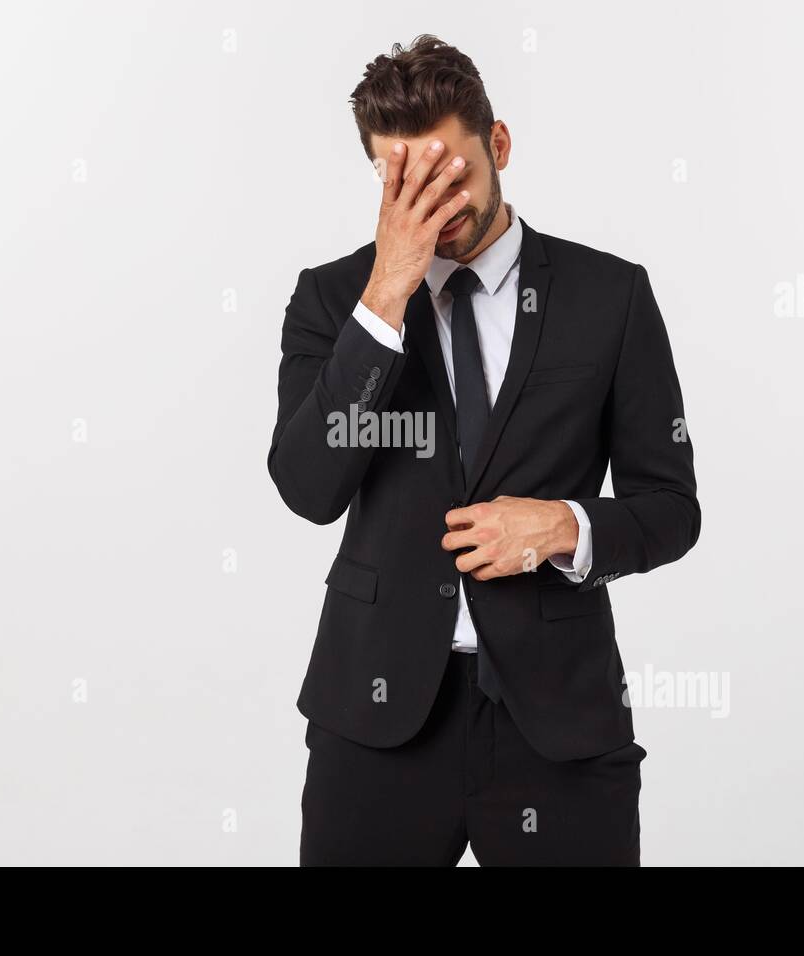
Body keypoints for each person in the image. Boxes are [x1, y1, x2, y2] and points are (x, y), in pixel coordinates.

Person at [268, 35, 701, 866]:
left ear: (498, 144)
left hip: (559, 721)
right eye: (404, 183)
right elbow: (307, 484)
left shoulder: (610, 296)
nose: (434, 205)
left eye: (451, 173)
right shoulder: (332, 299)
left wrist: (562, 526)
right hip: (376, 717)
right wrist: (387, 292)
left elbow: (672, 509)